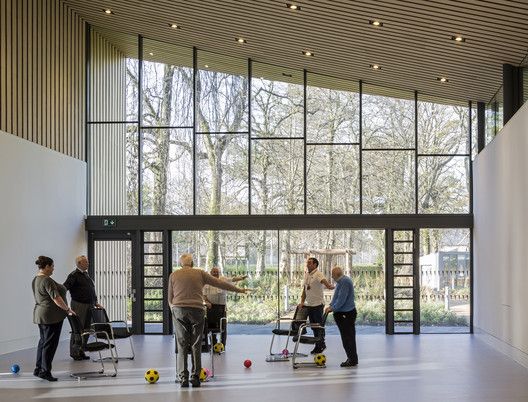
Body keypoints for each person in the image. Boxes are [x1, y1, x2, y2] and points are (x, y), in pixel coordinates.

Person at [168, 254, 249, 388]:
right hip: (197, 310)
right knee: (196, 343)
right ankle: (195, 378)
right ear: (192, 263)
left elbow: (170, 298)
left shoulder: (173, 275)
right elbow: (221, 283)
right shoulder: (200, 273)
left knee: (182, 344)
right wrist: (238, 290)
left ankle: (183, 378)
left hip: (179, 310)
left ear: (181, 264)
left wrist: (174, 310)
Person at [32, 256, 76, 381]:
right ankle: (45, 371)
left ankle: (38, 369)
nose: (53, 269)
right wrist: (67, 309)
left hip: (41, 315)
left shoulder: (36, 279)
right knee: (50, 344)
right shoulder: (47, 280)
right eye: (52, 266)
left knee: (43, 342)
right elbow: (56, 298)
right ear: (46, 266)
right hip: (51, 316)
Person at [63, 255, 103, 360]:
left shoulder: (86, 275)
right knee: (77, 329)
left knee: (86, 329)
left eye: (87, 261)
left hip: (90, 305)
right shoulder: (73, 275)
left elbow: (91, 290)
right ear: (79, 264)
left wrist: (96, 302)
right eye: (86, 262)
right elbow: (64, 288)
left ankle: (81, 351)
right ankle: (74, 352)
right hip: (79, 305)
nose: (88, 263)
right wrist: (66, 305)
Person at [203, 266, 247, 348]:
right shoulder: (206, 282)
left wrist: (241, 278)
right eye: (214, 272)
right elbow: (204, 296)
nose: (215, 273)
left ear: (219, 273)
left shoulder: (223, 279)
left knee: (223, 327)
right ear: (210, 273)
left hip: (221, 307)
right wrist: (207, 302)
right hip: (211, 308)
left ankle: (223, 345)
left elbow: (232, 279)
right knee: (212, 327)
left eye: (217, 272)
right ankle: (214, 345)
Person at [298, 257, 334, 354]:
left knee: (319, 326)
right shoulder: (307, 275)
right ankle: (318, 345)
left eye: (309, 263)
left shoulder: (318, 274)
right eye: (307, 263)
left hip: (318, 305)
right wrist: (302, 301)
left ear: (315, 265)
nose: (307, 265)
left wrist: (330, 286)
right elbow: (305, 290)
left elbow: (324, 282)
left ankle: (321, 344)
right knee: (313, 327)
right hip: (309, 304)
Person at [325, 266, 358, 367]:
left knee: (348, 338)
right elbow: (336, 296)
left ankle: (352, 360)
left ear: (337, 275)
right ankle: (351, 358)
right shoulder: (340, 282)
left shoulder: (345, 282)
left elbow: (342, 299)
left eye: (332, 274)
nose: (331, 276)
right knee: (346, 338)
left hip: (346, 314)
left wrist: (333, 308)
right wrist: (331, 305)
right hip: (342, 314)